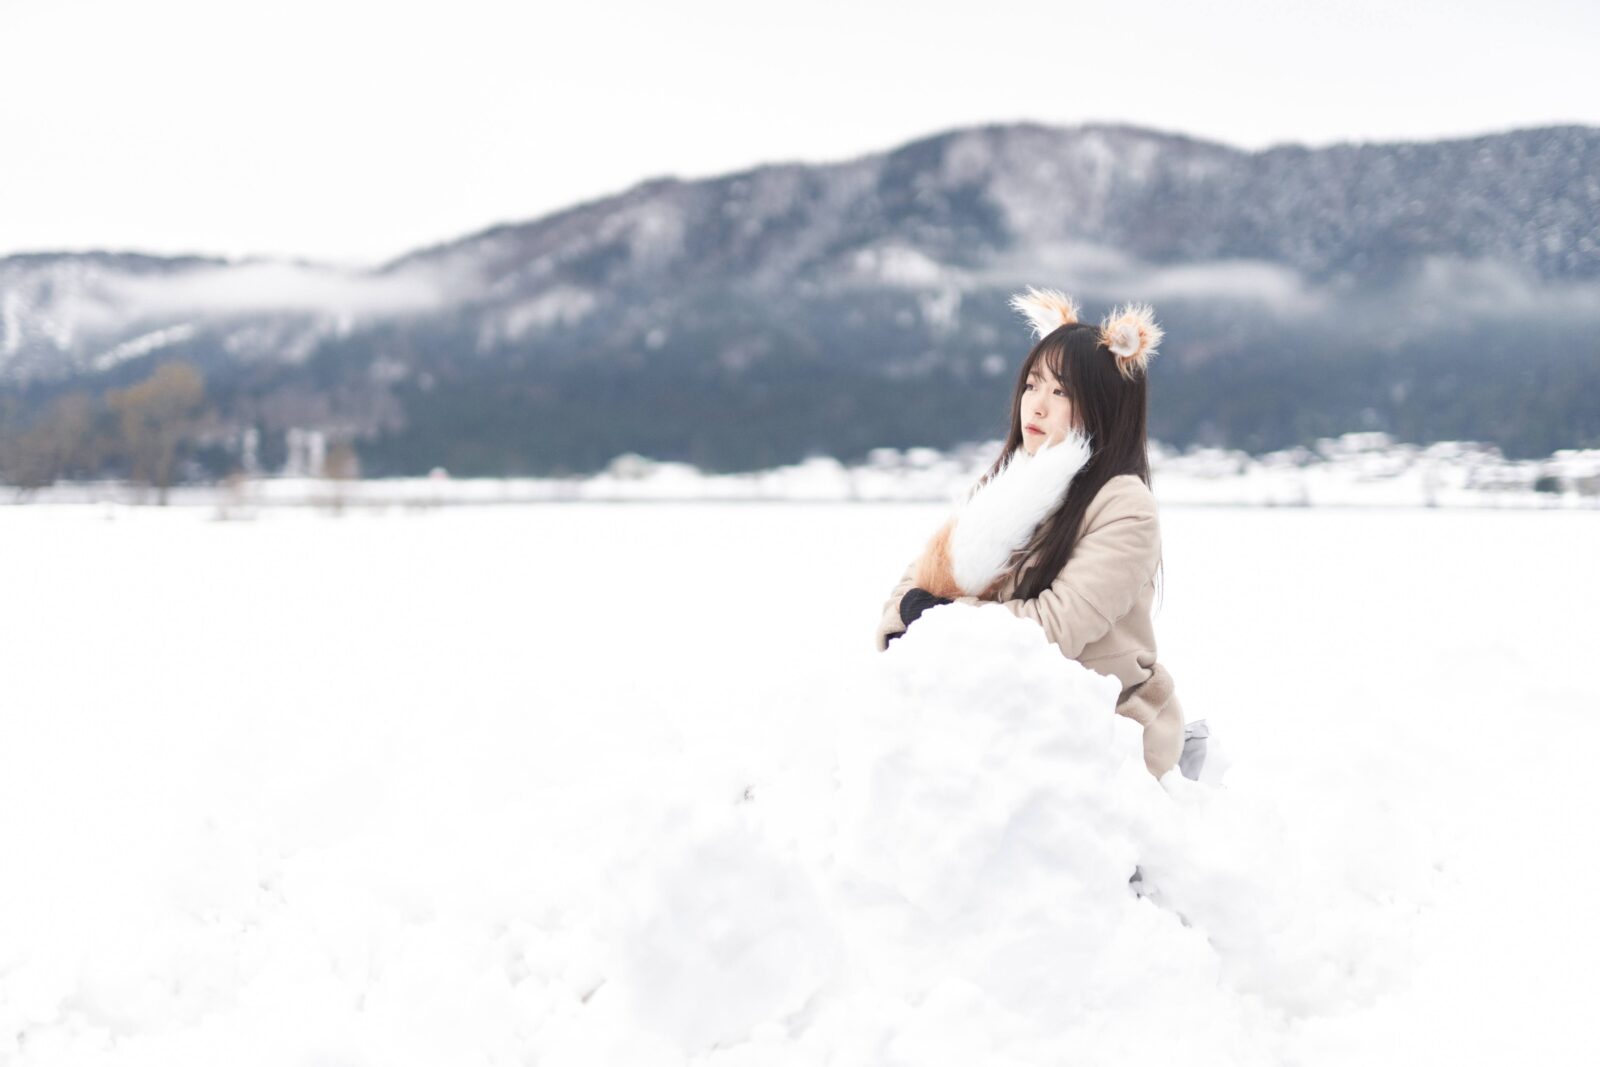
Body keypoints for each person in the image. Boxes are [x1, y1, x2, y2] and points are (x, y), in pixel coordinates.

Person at [874, 287, 1186, 780]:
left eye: (1061, 393)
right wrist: (916, 614)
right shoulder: (1004, 486)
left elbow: (1053, 629)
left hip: (1099, 732)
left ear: (1105, 405)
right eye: (1033, 385)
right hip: (997, 711)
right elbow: (912, 587)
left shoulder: (1125, 507)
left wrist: (936, 618)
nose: (1036, 406)